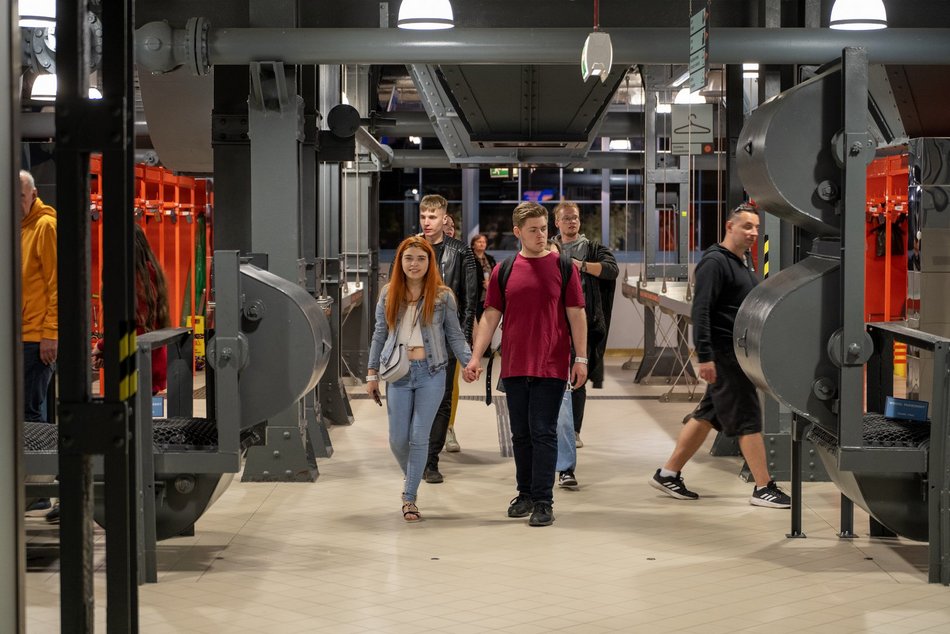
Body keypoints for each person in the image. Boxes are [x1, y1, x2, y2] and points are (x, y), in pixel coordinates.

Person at [650, 204, 791, 508]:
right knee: (748, 417)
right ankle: (763, 487)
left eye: (756, 228)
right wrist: (705, 355)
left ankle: (668, 473)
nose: (753, 233)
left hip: (737, 352)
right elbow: (701, 312)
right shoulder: (714, 263)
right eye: (747, 227)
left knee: (708, 414)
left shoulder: (742, 263)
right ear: (730, 226)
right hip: (724, 353)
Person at [465, 201, 587, 527]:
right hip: (515, 365)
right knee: (520, 434)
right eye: (533, 230)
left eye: (544, 228)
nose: (541, 235)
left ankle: (544, 501)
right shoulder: (504, 270)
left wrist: (581, 358)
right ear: (518, 232)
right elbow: (491, 316)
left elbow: (577, 314)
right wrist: (476, 357)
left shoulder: (564, 267)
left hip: (551, 363)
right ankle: (525, 494)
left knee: (543, 432)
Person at [366, 236, 477, 522]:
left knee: (418, 437)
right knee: (397, 440)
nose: (414, 264)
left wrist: (469, 362)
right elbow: (379, 334)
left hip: (432, 372)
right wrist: (371, 373)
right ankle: (412, 476)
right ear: (400, 262)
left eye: (421, 259)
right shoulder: (388, 293)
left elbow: (454, 335)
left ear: (430, 263)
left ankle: (409, 497)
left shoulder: (443, 296)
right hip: (398, 374)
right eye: (408, 258)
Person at [417, 195, 478, 480]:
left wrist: (463, 344)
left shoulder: (461, 252)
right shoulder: (411, 249)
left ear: (445, 219)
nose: (427, 222)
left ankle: (431, 461)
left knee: (441, 400)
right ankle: (417, 454)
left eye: (432, 216)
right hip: (414, 338)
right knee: (417, 397)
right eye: (423, 216)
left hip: (446, 337)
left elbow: (469, 302)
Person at [552, 201, 618, 459]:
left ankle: (573, 431)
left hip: (584, 324)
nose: (571, 222)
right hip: (553, 325)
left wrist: (580, 265)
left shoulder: (592, 249)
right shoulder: (548, 248)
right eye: (566, 218)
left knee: (577, 379)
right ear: (556, 222)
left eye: (575, 218)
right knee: (553, 380)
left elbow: (611, 270)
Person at [92, 224, 170, 395]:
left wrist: (104, 346)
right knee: (137, 418)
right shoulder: (151, 271)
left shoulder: (133, 278)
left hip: (136, 366)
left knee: (129, 417)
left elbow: (133, 325)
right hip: (149, 361)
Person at [21, 169, 58, 518]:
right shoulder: (19, 230)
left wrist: (51, 332)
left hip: (36, 338)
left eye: (21, 195)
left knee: (32, 414)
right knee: (30, 413)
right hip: (20, 336)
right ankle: (38, 486)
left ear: (33, 194)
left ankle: (41, 488)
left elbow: (56, 283)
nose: (17, 202)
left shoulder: (45, 227)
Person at [470, 234, 496, 325]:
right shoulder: (469, 259)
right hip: (476, 294)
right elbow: (470, 275)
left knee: (487, 322)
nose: (482, 244)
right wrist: (482, 283)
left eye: (484, 242)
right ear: (473, 245)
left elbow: (495, 273)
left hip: (489, 294)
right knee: (476, 321)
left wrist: (491, 283)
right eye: (479, 242)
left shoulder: (490, 259)